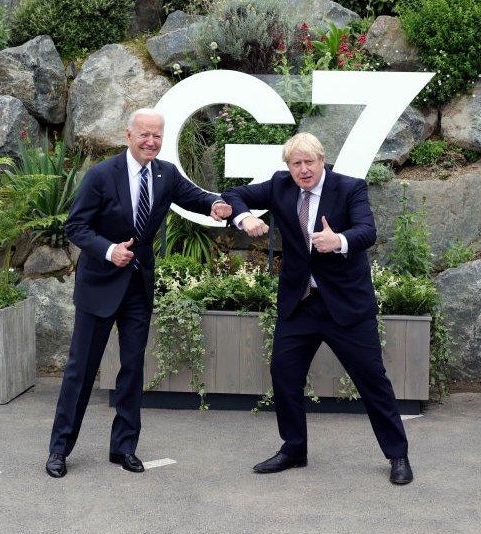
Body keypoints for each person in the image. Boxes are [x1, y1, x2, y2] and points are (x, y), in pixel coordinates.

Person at [46, 108, 232, 478]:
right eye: (144, 135)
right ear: (128, 136)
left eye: (157, 136)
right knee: (80, 372)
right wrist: (108, 249)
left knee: (132, 371)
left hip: (137, 288)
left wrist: (216, 204)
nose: (151, 142)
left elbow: (194, 196)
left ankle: (124, 448)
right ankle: (59, 450)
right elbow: (76, 226)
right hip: (99, 286)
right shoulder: (101, 175)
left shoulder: (165, 174)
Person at [221, 132, 412, 485]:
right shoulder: (280, 186)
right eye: (296, 163)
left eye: (310, 162)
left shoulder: (349, 187)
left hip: (346, 306)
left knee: (373, 381)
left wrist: (337, 241)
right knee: (284, 374)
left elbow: (366, 232)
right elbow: (233, 195)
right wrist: (244, 218)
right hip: (301, 302)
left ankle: (397, 455)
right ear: (288, 166)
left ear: (322, 160)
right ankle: (294, 449)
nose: (304, 169)